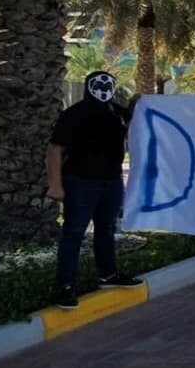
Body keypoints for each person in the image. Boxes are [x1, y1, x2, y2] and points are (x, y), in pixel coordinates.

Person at [47, 71, 143, 309]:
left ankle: (107, 275)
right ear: (89, 86)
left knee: (106, 229)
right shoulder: (74, 114)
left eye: (107, 84)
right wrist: (55, 184)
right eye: (98, 84)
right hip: (80, 182)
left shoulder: (116, 113)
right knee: (74, 233)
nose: (103, 88)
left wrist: (139, 106)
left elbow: (135, 129)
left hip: (110, 182)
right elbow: (55, 150)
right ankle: (66, 287)